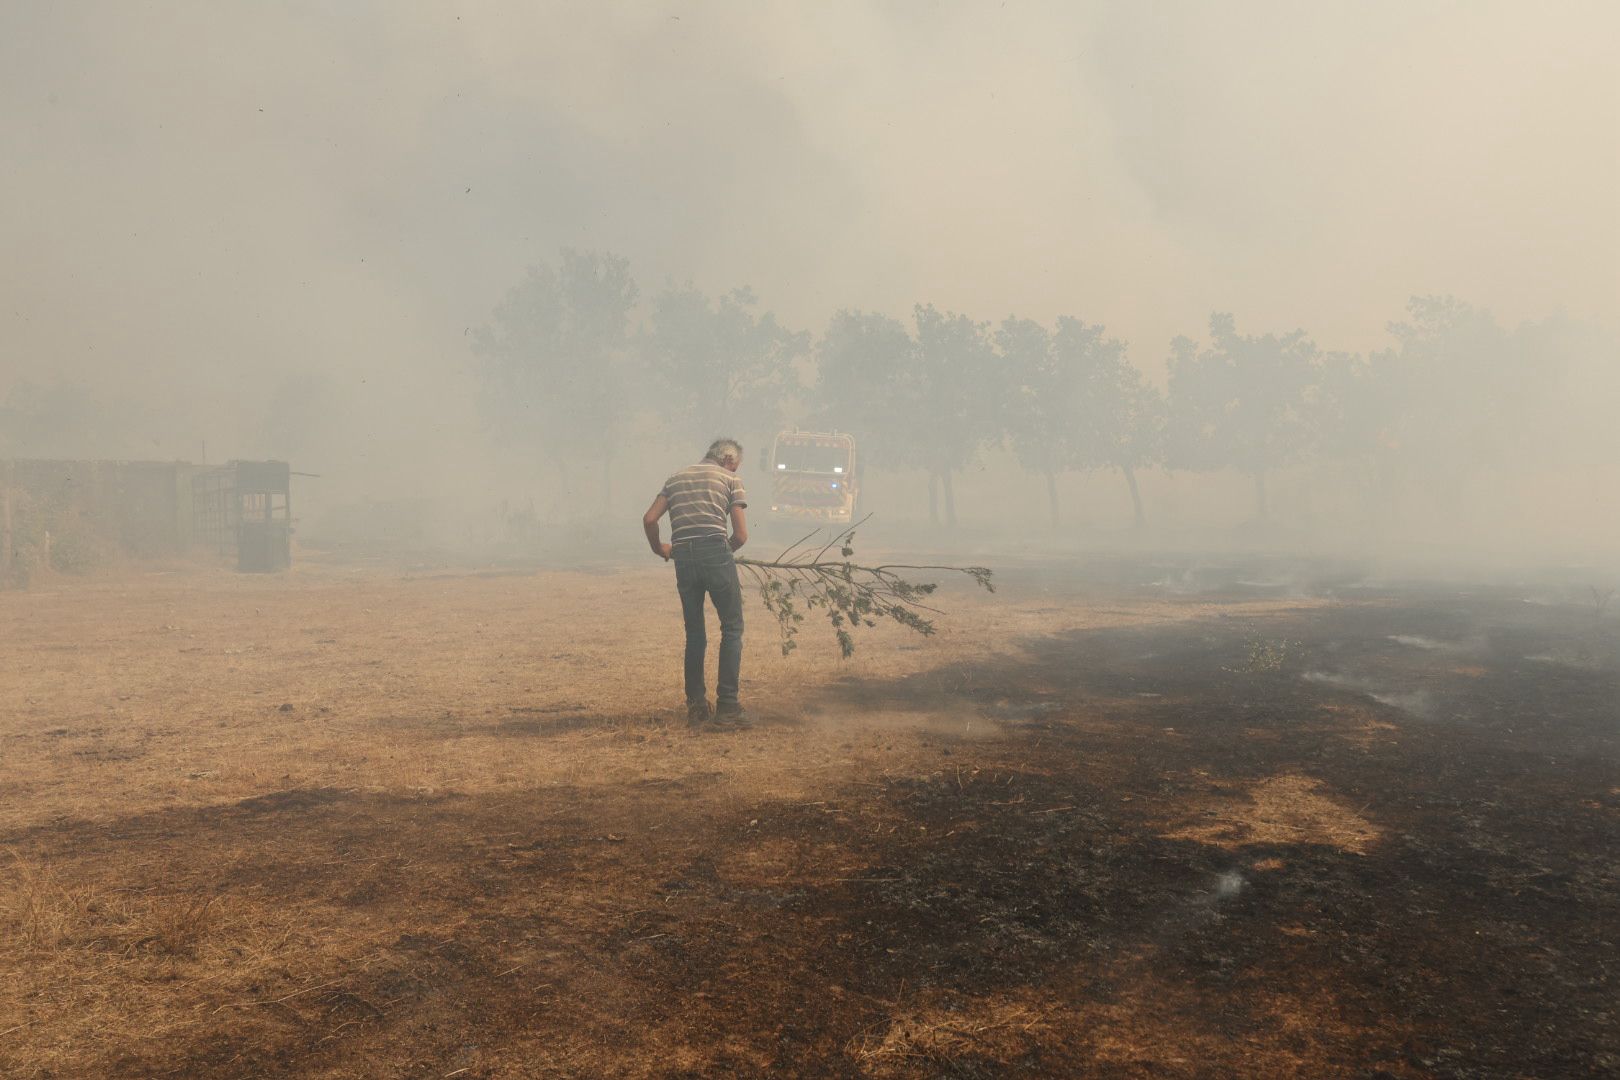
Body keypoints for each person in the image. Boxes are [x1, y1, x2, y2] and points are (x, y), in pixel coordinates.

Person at [642, 438, 751, 730]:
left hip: (683, 556)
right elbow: (740, 536)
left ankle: (697, 708)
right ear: (728, 459)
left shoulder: (676, 478)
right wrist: (722, 552)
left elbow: (650, 518)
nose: (736, 468)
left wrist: (660, 549)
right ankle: (728, 708)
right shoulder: (730, 479)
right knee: (731, 628)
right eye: (736, 464)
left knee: (695, 633)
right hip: (715, 550)